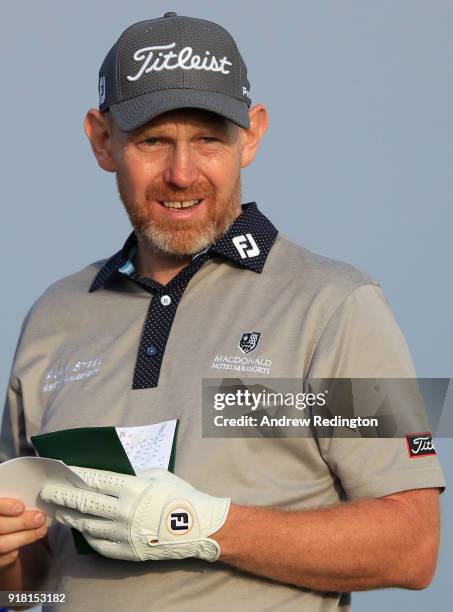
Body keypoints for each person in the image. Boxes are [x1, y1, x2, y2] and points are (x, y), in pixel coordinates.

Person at [0, 11, 446, 612]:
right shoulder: (54, 317)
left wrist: (198, 525)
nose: (182, 174)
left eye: (208, 139)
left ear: (252, 136)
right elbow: (38, 591)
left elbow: (413, 547)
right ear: (103, 141)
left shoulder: (335, 305)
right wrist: (8, 559)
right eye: (153, 140)